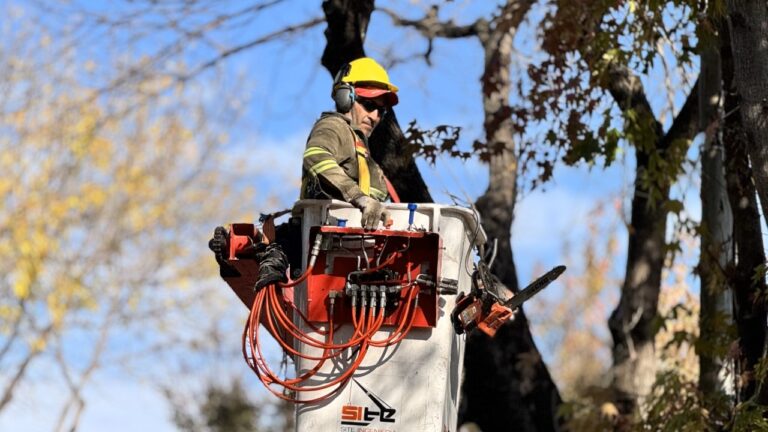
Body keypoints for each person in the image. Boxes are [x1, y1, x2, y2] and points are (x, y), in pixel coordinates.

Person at [300, 57, 399, 230]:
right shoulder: (334, 126)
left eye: (381, 111)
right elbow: (315, 156)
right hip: (322, 237)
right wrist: (359, 197)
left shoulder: (362, 150)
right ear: (345, 97)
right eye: (369, 105)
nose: (375, 116)